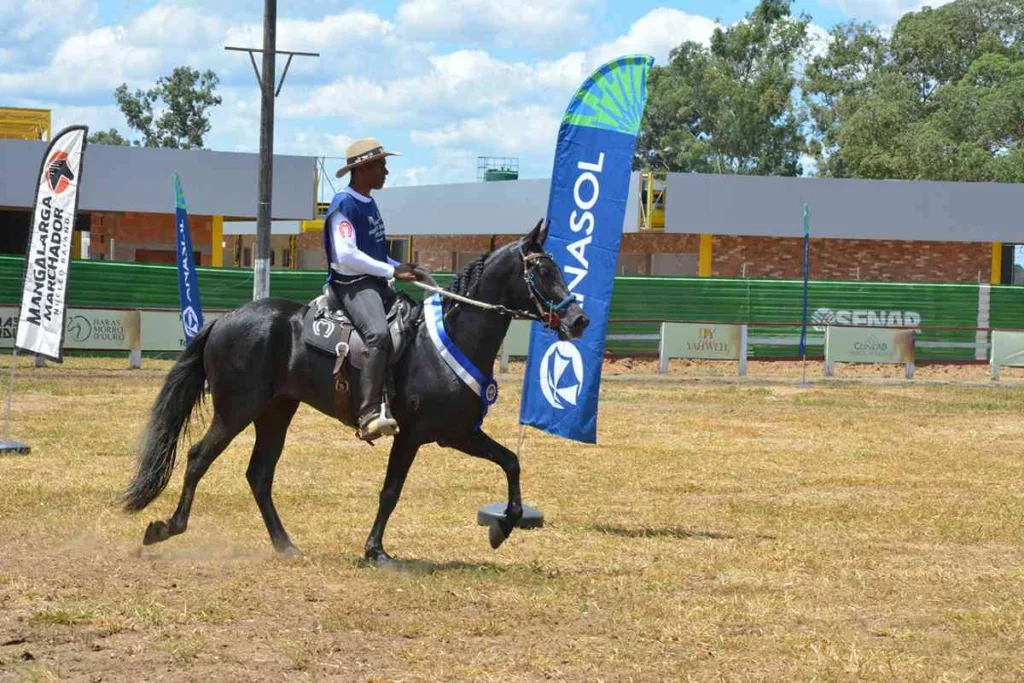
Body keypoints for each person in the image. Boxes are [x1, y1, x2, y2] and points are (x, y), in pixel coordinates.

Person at [323, 137, 418, 441]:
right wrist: (391, 270)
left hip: (375, 280)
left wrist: (401, 267)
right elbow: (346, 256)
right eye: (381, 166)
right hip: (351, 284)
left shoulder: (369, 201)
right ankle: (367, 415)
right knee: (378, 334)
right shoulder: (344, 203)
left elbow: (373, 254)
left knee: (412, 320)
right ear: (362, 168)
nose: (386, 172)